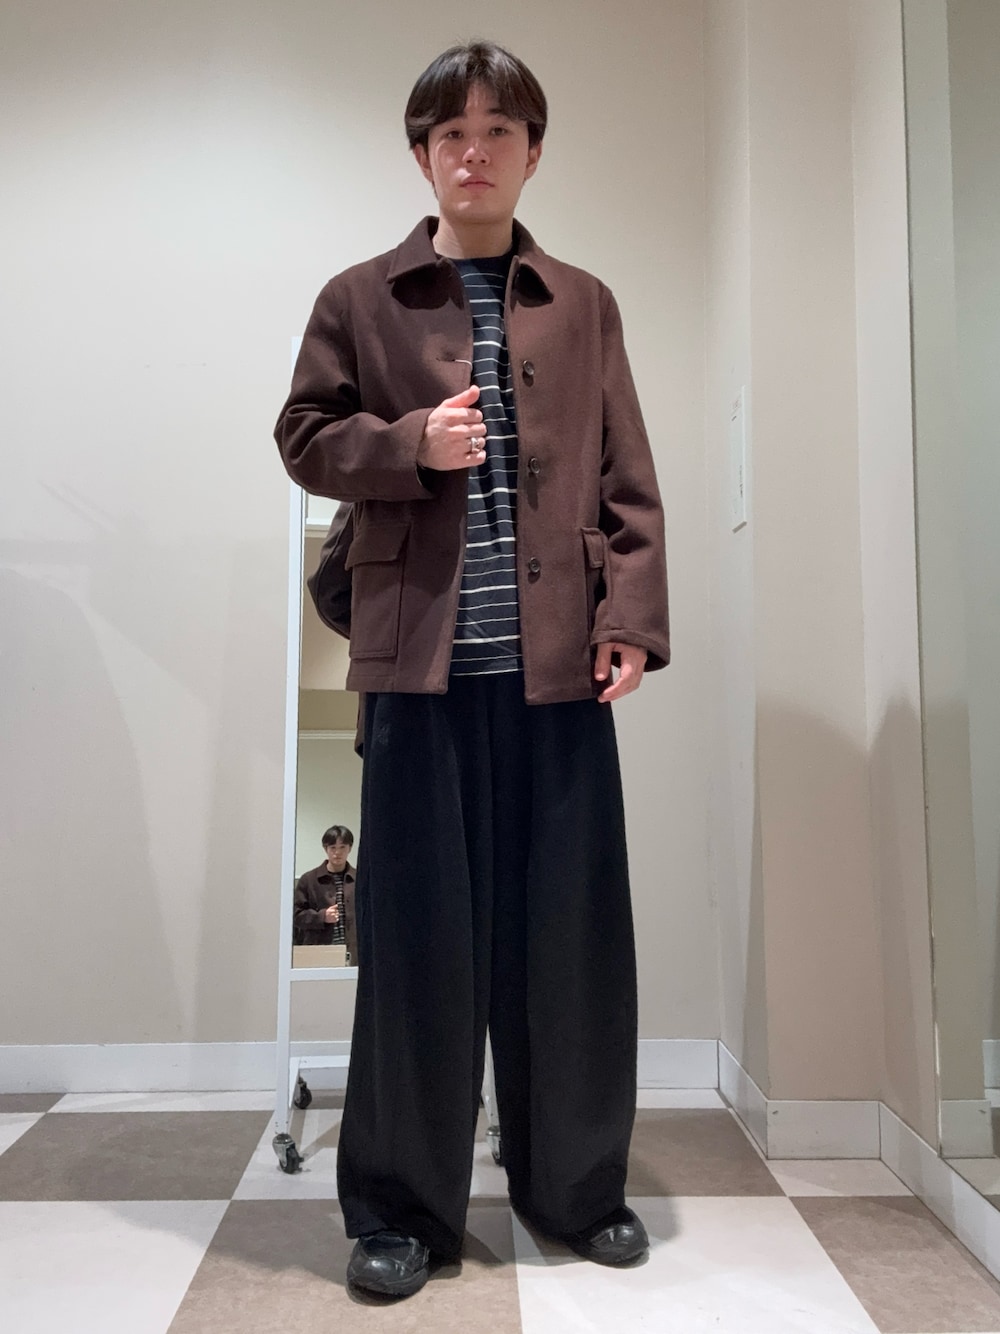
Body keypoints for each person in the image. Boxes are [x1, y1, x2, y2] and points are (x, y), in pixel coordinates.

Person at [275, 40, 669, 1299]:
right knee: (415, 951)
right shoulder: (360, 296)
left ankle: (576, 1189)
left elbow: (627, 481)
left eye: (500, 130)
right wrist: (408, 442)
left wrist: (629, 618)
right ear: (421, 155)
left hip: (558, 677)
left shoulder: (584, 302)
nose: (475, 151)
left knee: (570, 944)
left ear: (533, 152)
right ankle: (400, 1208)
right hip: (419, 673)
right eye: (452, 132)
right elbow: (302, 436)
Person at [292, 826, 357, 964]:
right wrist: (322, 917)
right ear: (325, 848)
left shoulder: (359, 879)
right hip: (319, 952)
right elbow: (295, 916)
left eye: (342, 847)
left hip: (354, 953)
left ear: (350, 848)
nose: (337, 853)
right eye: (333, 847)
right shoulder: (309, 880)